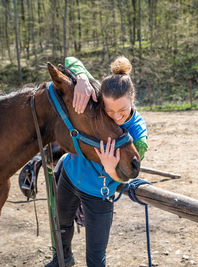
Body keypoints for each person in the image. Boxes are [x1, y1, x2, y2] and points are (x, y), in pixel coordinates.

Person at [46, 56, 148, 267]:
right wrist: (82, 78)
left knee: (95, 253)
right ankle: (62, 260)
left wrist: (112, 171)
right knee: (61, 225)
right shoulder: (102, 97)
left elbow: (129, 173)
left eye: (122, 110)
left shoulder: (138, 135)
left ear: (132, 99)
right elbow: (70, 59)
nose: (116, 117)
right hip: (70, 174)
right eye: (109, 111)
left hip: (99, 192)